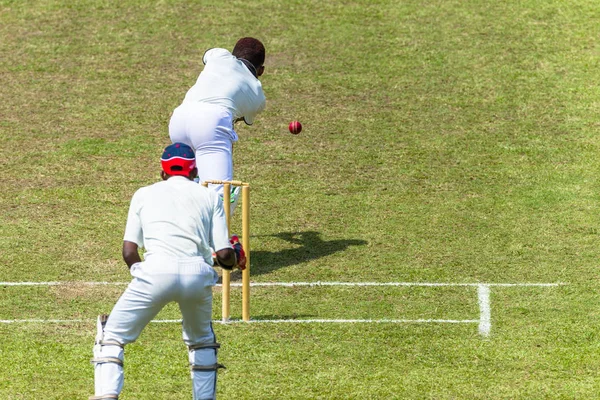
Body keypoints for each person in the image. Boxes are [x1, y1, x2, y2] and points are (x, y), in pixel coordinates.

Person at [89, 143, 246, 400]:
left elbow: (129, 252)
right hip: (197, 275)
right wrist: (235, 256)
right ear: (194, 171)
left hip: (153, 274)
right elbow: (225, 256)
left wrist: (144, 273)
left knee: (112, 336)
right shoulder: (209, 196)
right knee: (201, 340)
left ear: (163, 172)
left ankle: (107, 396)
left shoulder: (142, 194)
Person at [168, 37, 266, 209]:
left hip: (179, 118)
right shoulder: (257, 94)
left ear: (234, 54)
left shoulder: (219, 55)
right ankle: (216, 235)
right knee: (220, 196)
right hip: (212, 123)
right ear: (262, 70)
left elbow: (207, 56)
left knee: (183, 188)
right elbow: (240, 120)